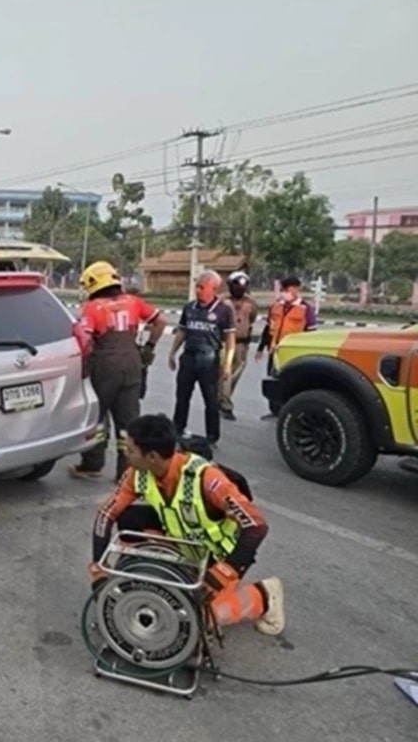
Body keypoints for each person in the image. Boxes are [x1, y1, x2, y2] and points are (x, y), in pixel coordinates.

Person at [89, 413, 285, 636]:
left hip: (220, 555)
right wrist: (98, 569)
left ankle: (266, 595)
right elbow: (106, 514)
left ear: (151, 456)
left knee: (197, 620)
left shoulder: (208, 479)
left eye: (131, 450)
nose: (125, 453)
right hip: (184, 546)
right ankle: (156, 571)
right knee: (130, 517)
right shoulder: (137, 474)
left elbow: (257, 527)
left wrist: (222, 573)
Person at [69, 261, 166, 482]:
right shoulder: (133, 302)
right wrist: (149, 348)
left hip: (104, 367)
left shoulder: (93, 308)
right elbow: (160, 322)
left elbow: (84, 339)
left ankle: (92, 464)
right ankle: (127, 472)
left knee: (97, 417)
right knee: (128, 421)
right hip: (132, 364)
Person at [168, 270, 236, 446]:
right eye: (196, 286)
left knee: (210, 399)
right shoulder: (189, 307)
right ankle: (178, 428)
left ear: (213, 288)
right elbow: (182, 331)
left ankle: (212, 436)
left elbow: (230, 340)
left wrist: (227, 364)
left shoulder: (223, 310)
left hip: (209, 359)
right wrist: (172, 353)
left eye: (202, 287)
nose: (198, 291)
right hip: (189, 358)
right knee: (182, 396)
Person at [255, 276, 317, 419]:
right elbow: (268, 328)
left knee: (292, 381)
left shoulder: (305, 309)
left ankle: (291, 410)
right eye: (283, 290)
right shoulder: (276, 307)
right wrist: (260, 348)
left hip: (294, 353)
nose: (285, 293)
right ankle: (274, 410)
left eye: (288, 289)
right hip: (275, 351)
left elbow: (311, 332)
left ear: (296, 289)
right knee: (273, 380)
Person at [219, 271, 259, 422]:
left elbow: (252, 318)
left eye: (243, 285)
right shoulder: (221, 300)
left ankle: (222, 396)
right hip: (224, 342)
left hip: (242, 342)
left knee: (237, 371)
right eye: (237, 284)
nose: (240, 288)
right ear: (230, 285)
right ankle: (225, 404)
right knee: (225, 372)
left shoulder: (251, 302)